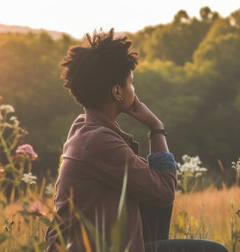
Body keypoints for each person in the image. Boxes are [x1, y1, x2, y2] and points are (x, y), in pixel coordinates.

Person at [45, 29, 227, 252]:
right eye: (131, 83)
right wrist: (156, 127)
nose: (134, 89)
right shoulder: (99, 142)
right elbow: (165, 191)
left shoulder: (83, 128)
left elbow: (151, 189)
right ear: (117, 92)